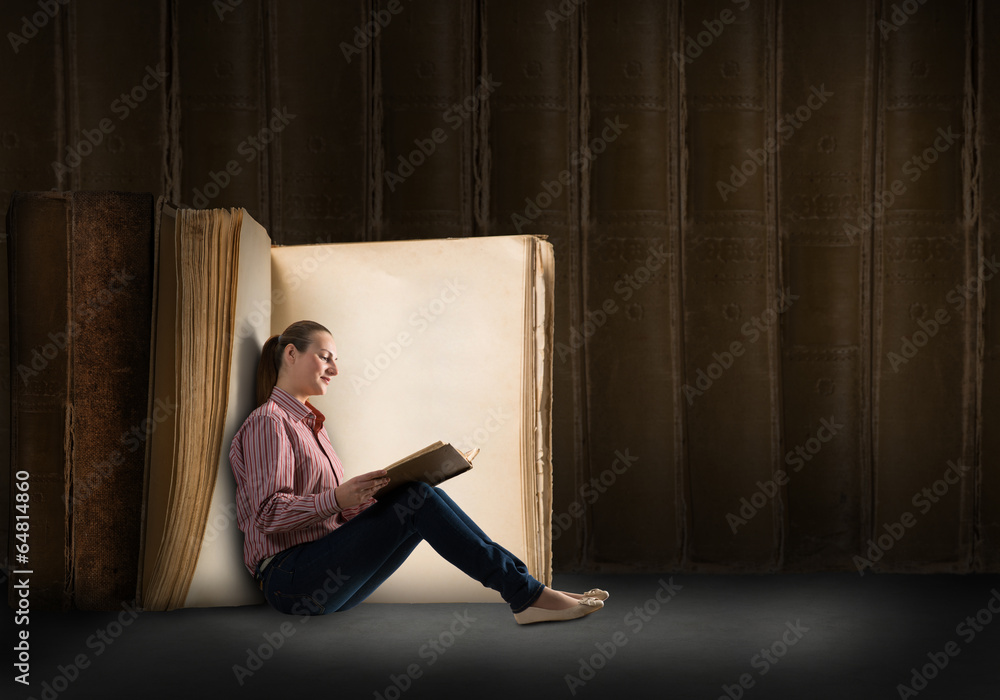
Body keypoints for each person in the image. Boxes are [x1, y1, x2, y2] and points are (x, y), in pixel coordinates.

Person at [229, 319, 608, 624]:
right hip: (291, 582)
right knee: (416, 500)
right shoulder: (270, 422)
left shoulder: (314, 428)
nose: (335, 369)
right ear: (291, 354)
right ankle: (528, 595)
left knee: (415, 495)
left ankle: (529, 589)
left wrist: (366, 498)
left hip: (322, 578)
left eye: (337, 360)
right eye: (326, 357)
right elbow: (267, 515)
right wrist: (337, 497)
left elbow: (328, 516)